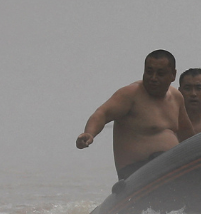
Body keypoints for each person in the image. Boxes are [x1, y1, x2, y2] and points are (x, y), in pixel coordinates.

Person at [76, 49, 194, 180]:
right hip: (135, 173)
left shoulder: (176, 97)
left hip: (168, 168)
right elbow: (102, 113)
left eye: (160, 74)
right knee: (163, 160)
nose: (153, 78)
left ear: (173, 75)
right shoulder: (130, 95)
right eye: (149, 72)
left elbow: (186, 132)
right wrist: (89, 133)